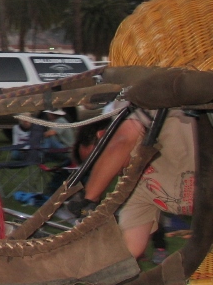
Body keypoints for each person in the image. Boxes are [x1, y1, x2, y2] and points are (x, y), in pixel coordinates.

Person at [77, 107, 197, 261]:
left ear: (102, 136)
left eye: (95, 161)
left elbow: (124, 138)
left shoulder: (138, 111)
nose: (99, 171)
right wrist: (90, 283)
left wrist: (89, 200)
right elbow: (129, 249)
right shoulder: (132, 186)